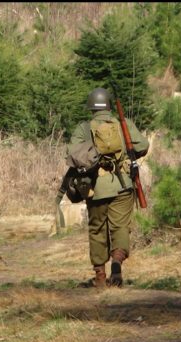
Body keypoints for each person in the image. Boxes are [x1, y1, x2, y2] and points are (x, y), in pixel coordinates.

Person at [61, 87, 149, 288]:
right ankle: (117, 263)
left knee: (97, 229)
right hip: (123, 185)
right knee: (120, 227)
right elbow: (143, 145)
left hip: (95, 188)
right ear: (109, 106)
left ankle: (100, 277)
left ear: (91, 106)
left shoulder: (83, 128)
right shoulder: (122, 125)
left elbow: (72, 155)